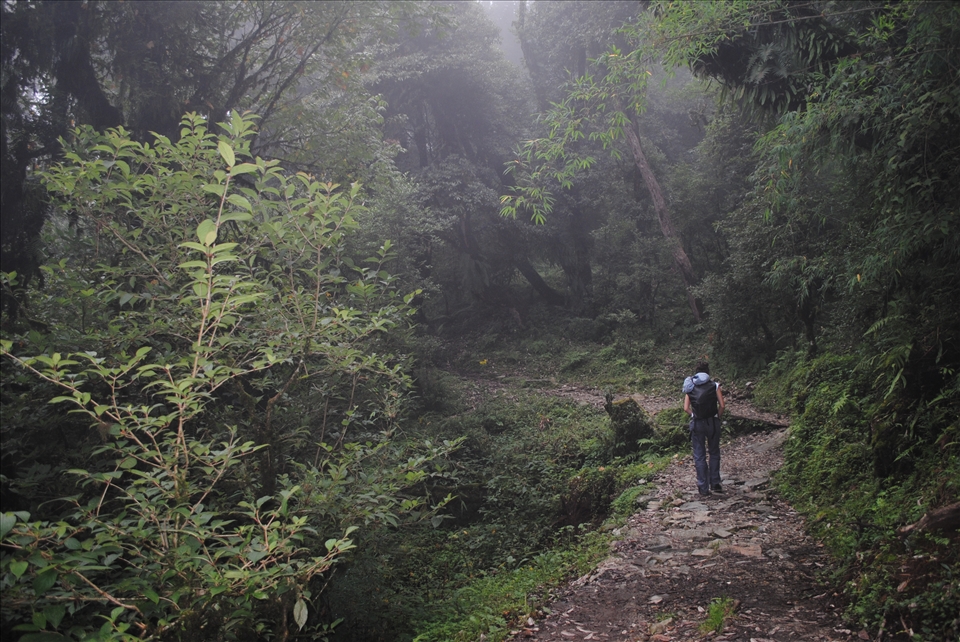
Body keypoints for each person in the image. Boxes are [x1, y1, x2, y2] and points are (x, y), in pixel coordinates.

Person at [683, 360, 725, 497]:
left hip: (698, 423)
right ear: (708, 372)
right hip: (713, 422)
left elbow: (685, 408)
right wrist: (716, 416)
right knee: (714, 452)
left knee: (699, 455)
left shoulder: (690, 386)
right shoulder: (715, 385)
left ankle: (703, 487)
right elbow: (722, 405)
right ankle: (715, 483)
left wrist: (694, 414)